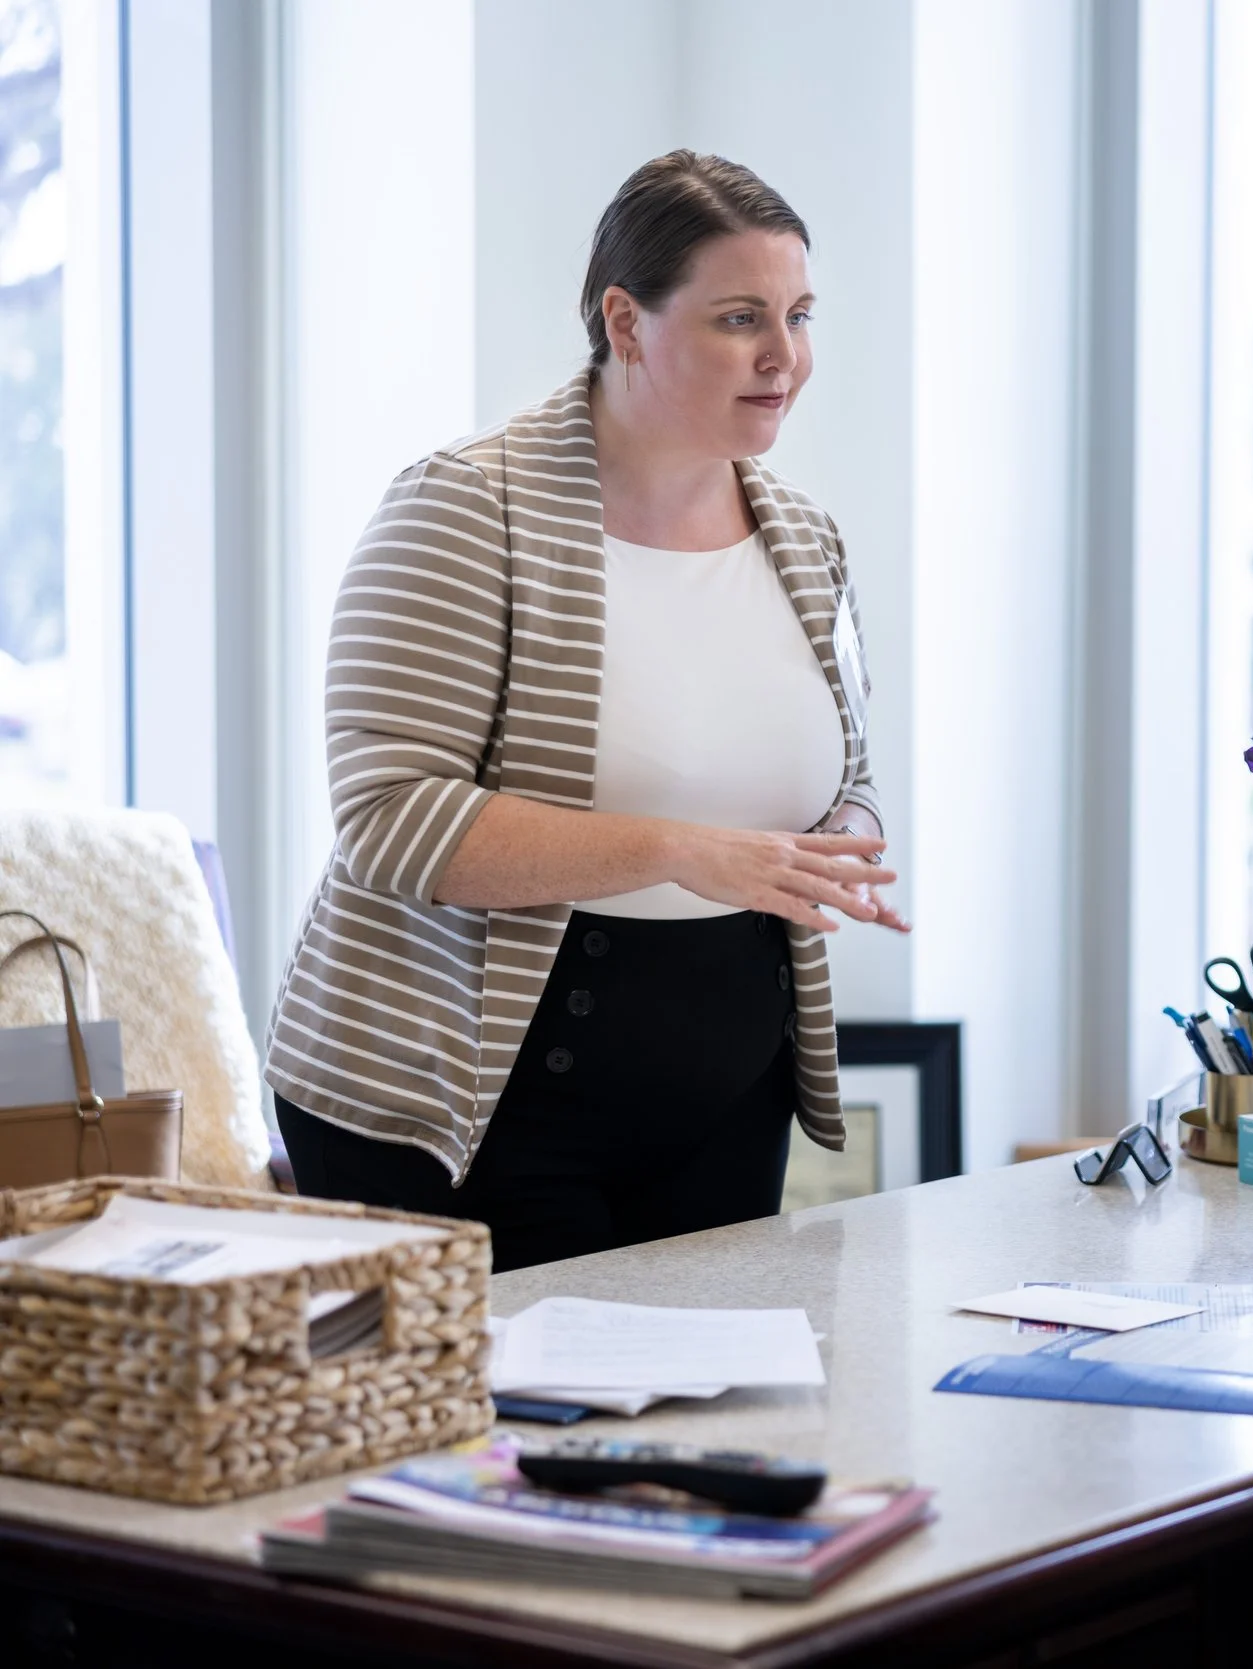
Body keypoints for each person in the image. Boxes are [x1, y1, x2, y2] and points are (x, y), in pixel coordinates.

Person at [267, 152, 906, 1271]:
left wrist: (838, 841)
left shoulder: (806, 538)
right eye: (739, 318)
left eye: (799, 316)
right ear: (625, 320)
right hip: (458, 1108)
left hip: (722, 1104)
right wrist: (675, 852)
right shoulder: (461, 509)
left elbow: (837, 769)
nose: (784, 357)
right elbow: (389, 818)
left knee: (718, 1440)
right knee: (514, 1446)